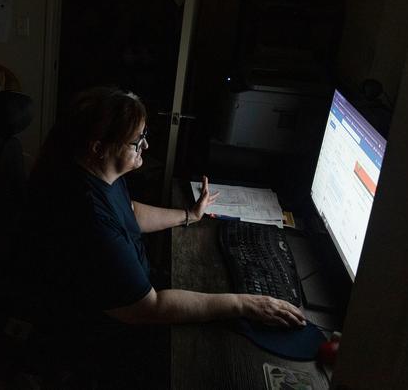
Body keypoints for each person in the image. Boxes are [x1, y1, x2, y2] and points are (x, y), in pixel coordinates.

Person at [23, 86, 305, 382]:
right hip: (105, 331)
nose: (145, 146)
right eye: (137, 141)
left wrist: (189, 216)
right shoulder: (89, 218)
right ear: (98, 147)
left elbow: (130, 213)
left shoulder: (96, 173)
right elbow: (150, 308)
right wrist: (245, 304)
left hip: (130, 295)